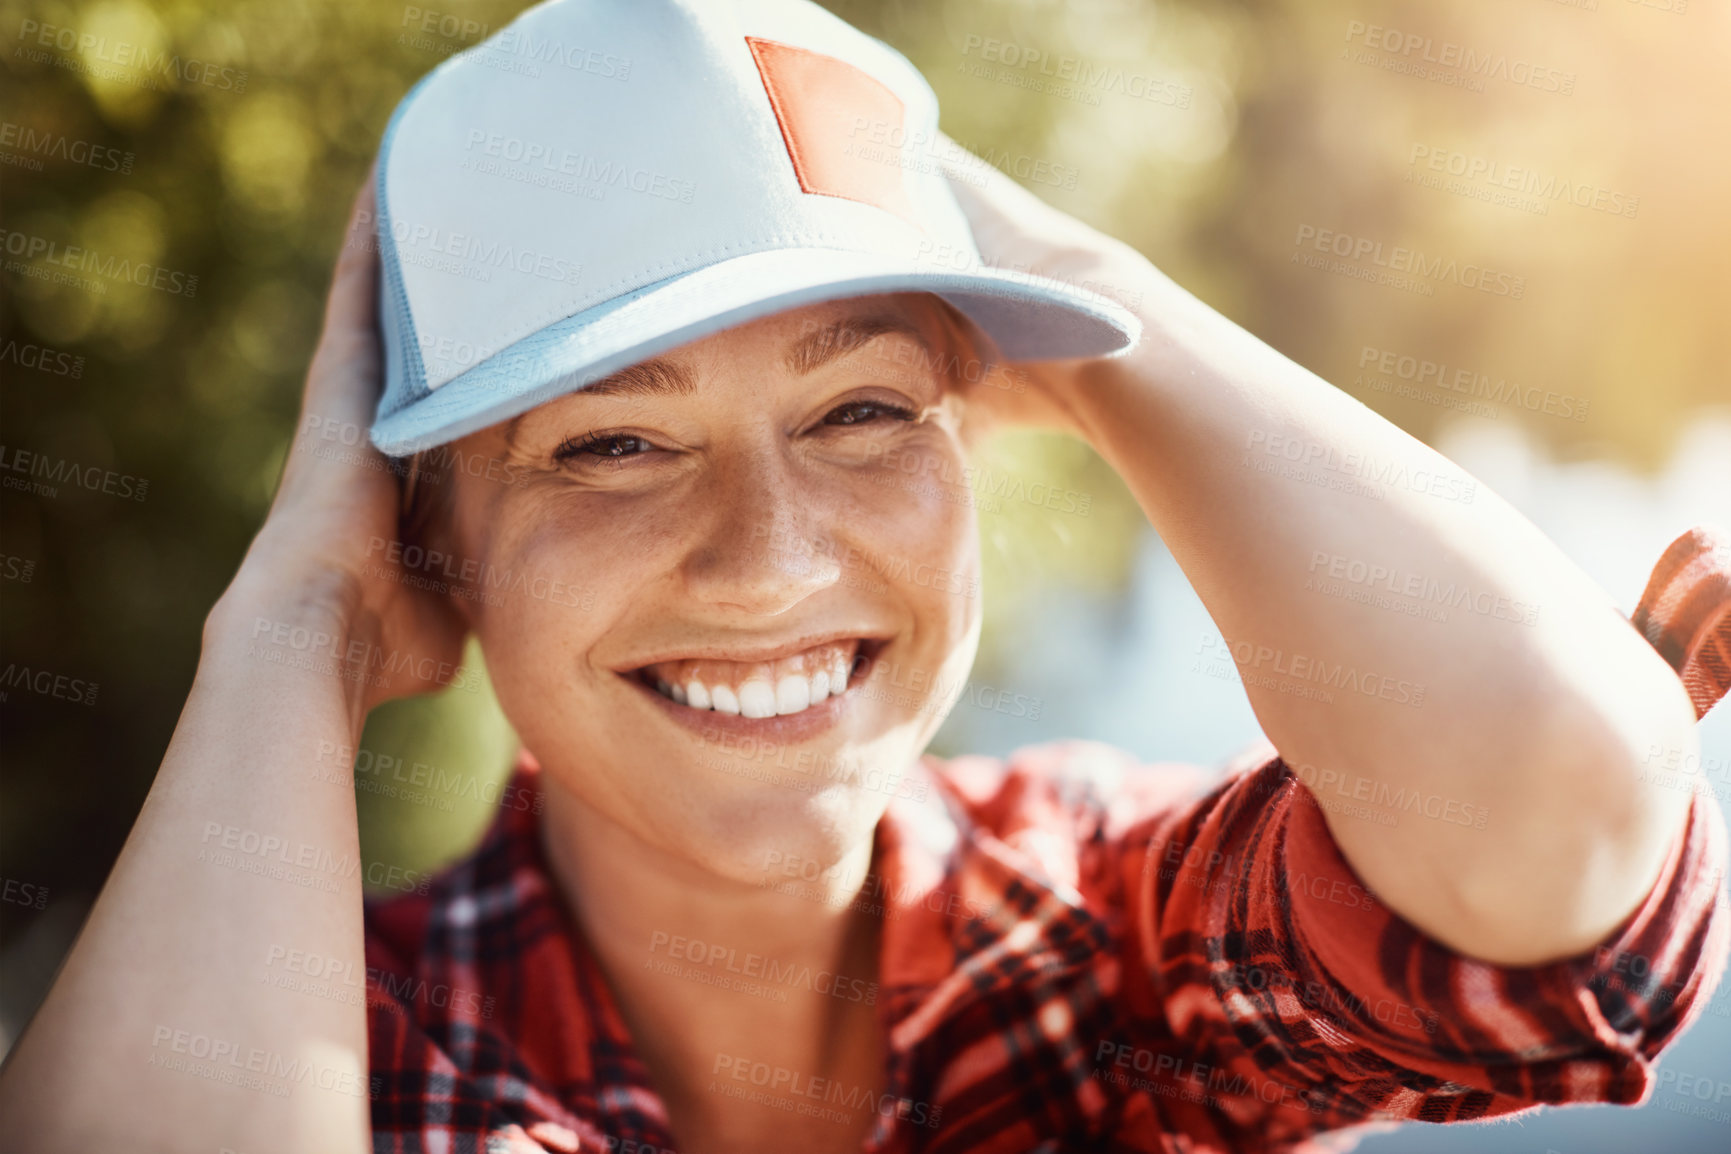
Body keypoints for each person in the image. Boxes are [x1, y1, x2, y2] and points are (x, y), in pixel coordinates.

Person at [2, 2, 1727, 1152]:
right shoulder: (351, 1045)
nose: (772, 556)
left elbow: (1562, 838)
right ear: (428, 538)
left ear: (980, 441)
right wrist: (293, 629)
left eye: (864, 407)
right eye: (610, 442)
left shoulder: (1096, 949)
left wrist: (1074, 286)